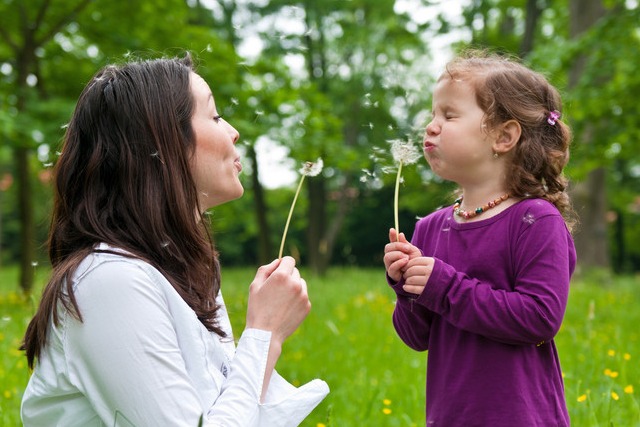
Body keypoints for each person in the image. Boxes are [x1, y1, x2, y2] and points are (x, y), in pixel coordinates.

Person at [21, 54, 329, 426]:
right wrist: (264, 333)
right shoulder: (110, 281)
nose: (234, 132)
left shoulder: (182, 271)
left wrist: (263, 336)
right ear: (162, 142)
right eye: (215, 116)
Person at [383, 50, 577, 426]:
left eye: (449, 115)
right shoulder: (429, 228)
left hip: (519, 417)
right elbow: (417, 338)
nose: (431, 127)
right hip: (451, 416)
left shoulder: (535, 221)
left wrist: (443, 286)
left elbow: (540, 318)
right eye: (432, 115)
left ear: (504, 136)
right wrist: (406, 289)